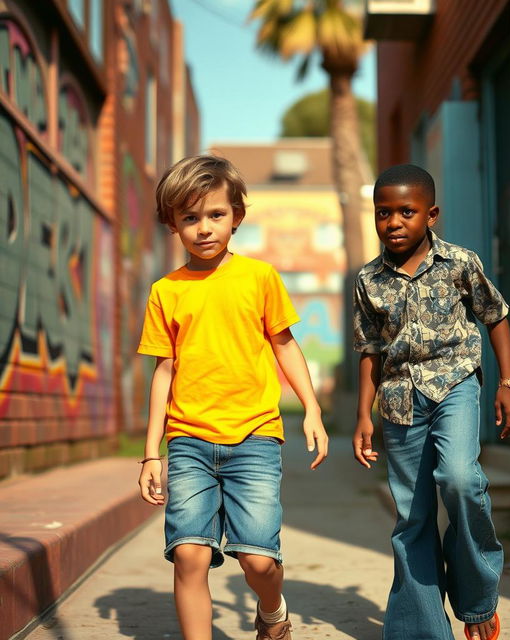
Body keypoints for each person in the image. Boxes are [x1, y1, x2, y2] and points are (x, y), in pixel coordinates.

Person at [137, 154, 328, 640]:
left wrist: (312, 410)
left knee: (259, 560)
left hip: (255, 438)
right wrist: (150, 453)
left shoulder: (259, 278)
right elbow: (164, 370)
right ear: (173, 224)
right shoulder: (166, 291)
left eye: (215, 215)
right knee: (189, 554)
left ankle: (272, 612)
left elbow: (284, 344)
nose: (204, 228)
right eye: (190, 218)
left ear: (237, 216)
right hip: (188, 441)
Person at [352, 164, 510, 640]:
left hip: (455, 385)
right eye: (382, 212)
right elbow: (369, 351)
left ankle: (476, 601)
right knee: (414, 515)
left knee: (461, 479)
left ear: (431, 214)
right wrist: (362, 416)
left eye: (406, 211)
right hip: (400, 399)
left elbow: (496, 316)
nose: (393, 222)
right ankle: (421, 629)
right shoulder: (369, 279)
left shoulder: (460, 262)